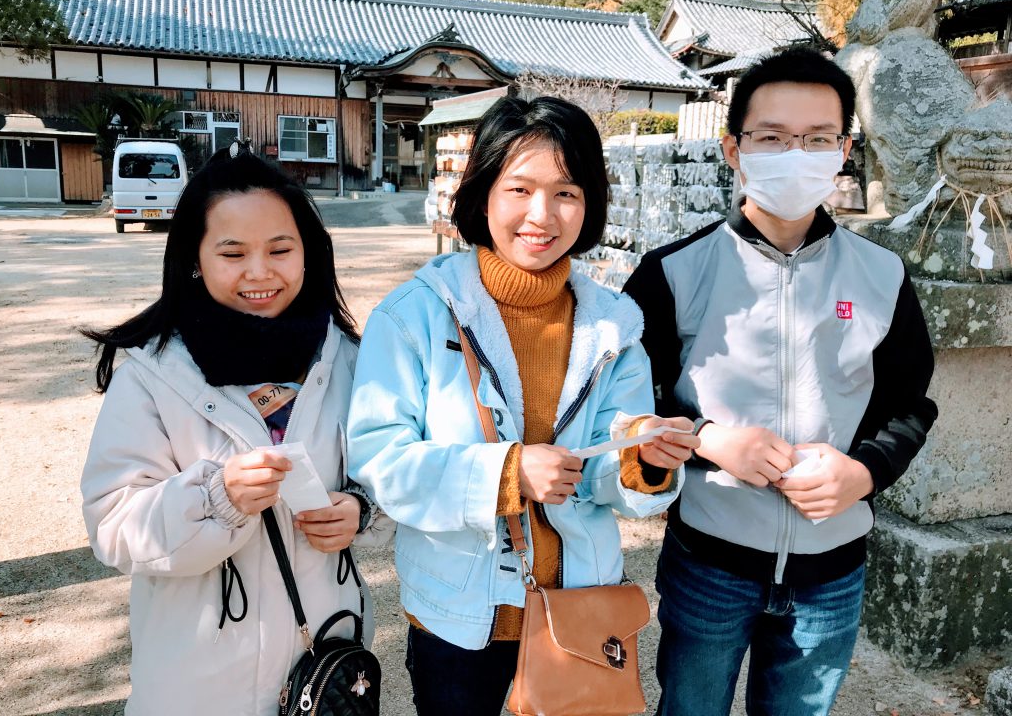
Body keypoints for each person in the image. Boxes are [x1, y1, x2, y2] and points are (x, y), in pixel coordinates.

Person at [346, 96, 700, 715]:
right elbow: (380, 460)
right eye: (520, 189)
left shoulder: (614, 327)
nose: (542, 214)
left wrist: (641, 458)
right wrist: (507, 474)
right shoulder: (414, 316)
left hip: (577, 609)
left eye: (566, 193)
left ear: (589, 203)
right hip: (459, 619)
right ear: (483, 194)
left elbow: (607, 471)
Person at [622, 46, 938, 716]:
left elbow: (909, 405)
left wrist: (864, 473)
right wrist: (706, 440)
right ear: (733, 149)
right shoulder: (671, 273)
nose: (796, 155)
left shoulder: (882, 276)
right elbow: (625, 409)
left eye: (817, 139)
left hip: (833, 571)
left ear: (843, 151)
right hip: (708, 562)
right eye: (771, 138)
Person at [80, 146, 392, 715]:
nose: (260, 272)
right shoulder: (152, 376)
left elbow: (395, 475)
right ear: (195, 259)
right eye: (232, 253)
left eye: (280, 249)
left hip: (322, 669)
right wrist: (216, 498)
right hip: (197, 685)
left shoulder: (350, 360)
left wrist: (363, 511)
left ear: (308, 252)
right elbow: (113, 525)